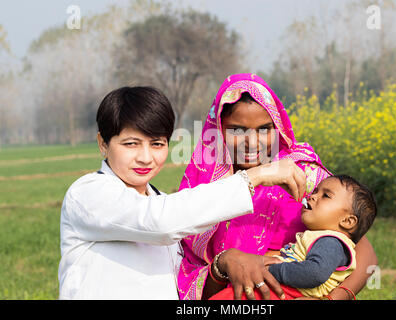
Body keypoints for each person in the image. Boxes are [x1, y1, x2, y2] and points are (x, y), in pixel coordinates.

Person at [57, 86, 306, 300]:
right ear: (103, 144)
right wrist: (257, 176)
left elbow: (186, 286)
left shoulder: (164, 203)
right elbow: (159, 221)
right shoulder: (88, 194)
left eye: (157, 144)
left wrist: (222, 265)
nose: (145, 158)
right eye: (131, 144)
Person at [177, 73, 378, 300]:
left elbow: (361, 250)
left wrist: (336, 298)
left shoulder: (303, 175)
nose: (252, 143)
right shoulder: (205, 187)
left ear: (278, 127)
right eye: (238, 130)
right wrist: (224, 264)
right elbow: (190, 279)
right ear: (218, 129)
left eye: (264, 129)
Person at [209, 174, 377, 300]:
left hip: (289, 293)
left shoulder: (331, 242)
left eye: (325, 196)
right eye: (316, 191)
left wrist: (268, 270)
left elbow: (314, 273)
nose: (312, 196)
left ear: (347, 221)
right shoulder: (320, 237)